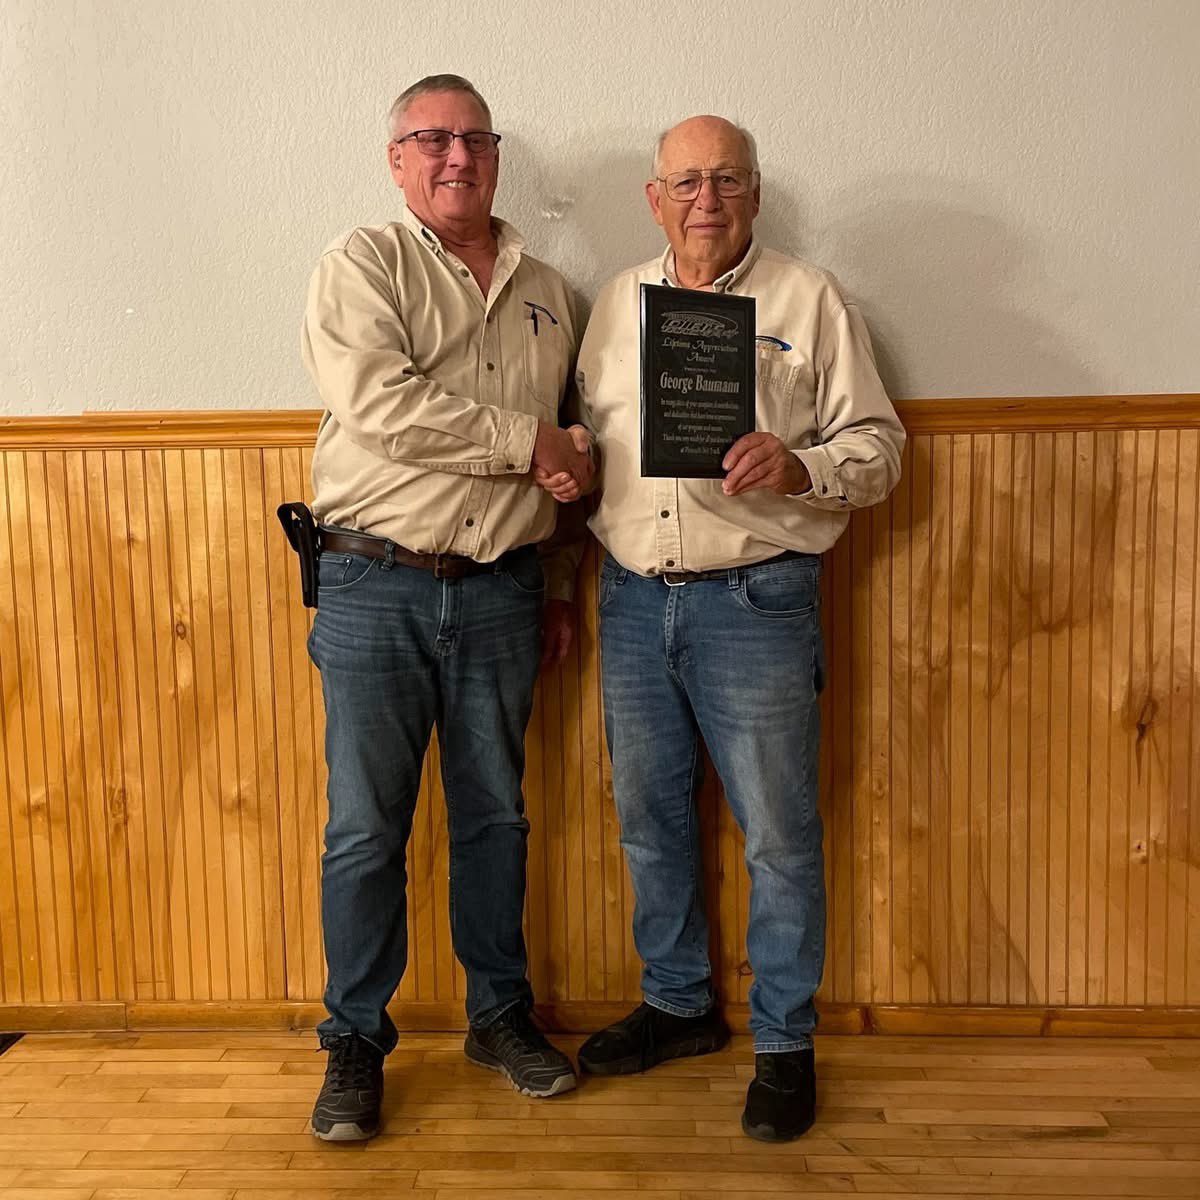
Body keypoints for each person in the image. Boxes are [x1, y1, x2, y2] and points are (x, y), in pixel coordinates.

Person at [571, 115, 905, 1141]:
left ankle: (785, 1041)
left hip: (755, 599)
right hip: (631, 598)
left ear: (755, 193)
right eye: (685, 182)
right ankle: (677, 1006)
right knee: (649, 820)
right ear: (653, 196)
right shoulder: (616, 304)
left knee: (779, 836)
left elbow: (881, 449)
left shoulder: (810, 299)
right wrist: (573, 463)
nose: (704, 201)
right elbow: (594, 433)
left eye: (726, 181)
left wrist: (800, 465)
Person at [300, 74, 592, 1142]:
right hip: (373, 581)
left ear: (498, 154)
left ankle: (500, 1018)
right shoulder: (363, 263)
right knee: (365, 831)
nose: (457, 156)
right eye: (433, 139)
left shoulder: (554, 290)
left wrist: (557, 580)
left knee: (496, 818)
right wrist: (526, 444)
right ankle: (354, 1043)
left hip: (506, 591)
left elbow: (574, 443)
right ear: (397, 159)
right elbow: (379, 405)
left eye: (474, 138)